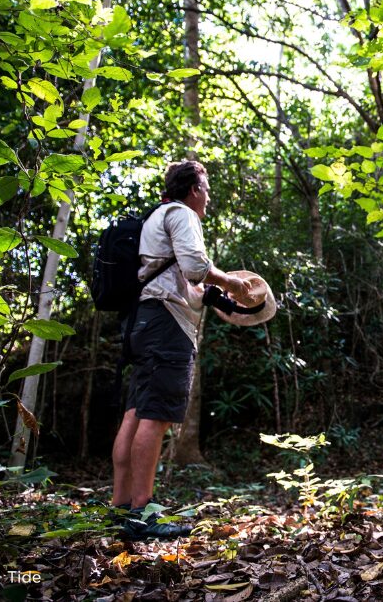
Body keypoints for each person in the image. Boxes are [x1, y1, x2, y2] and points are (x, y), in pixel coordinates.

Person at [110, 160, 250, 539]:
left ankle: (121, 507)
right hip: (165, 326)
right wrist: (232, 283)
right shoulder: (182, 214)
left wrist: (216, 298)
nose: (208, 197)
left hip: (142, 321)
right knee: (155, 417)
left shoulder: (156, 218)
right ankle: (142, 514)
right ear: (194, 189)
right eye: (206, 188)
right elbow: (194, 267)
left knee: (136, 413)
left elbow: (186, 284)